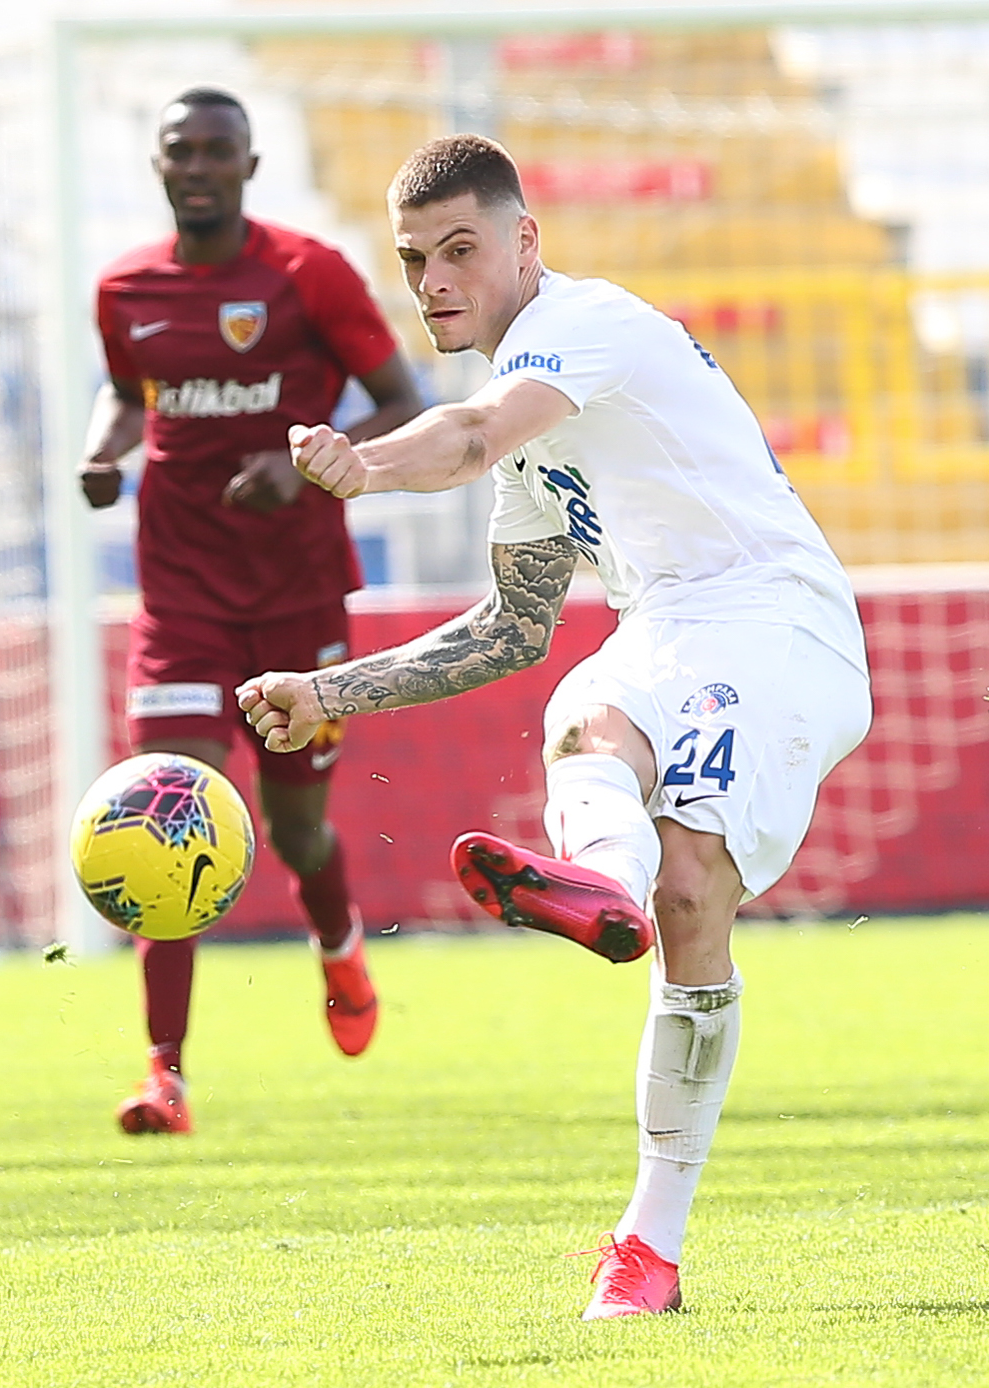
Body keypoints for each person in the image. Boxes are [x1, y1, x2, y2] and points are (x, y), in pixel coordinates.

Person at [236, 134, 873, 1318]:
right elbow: (513, 626)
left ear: (525, 240)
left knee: (654, 806)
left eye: (460, 249)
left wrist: (363, 464)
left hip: (780, 619)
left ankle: (604, 887)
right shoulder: (529, 430)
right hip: (671, 629)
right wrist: (329, 694)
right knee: (620, 780)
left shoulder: (583, 328)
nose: (434, 281)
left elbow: (470, 433)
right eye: (415, 259)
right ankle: (646, 1244)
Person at [84, 87, 424, 1134]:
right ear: (158, 165)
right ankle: (165, 1073)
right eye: (179, 151)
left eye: (215, 150)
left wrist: (308, 469)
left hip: (295, 594)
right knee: (166, 810)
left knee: (293, 826)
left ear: (249, 164)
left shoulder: (306, 273)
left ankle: (338, 946)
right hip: (180, 597)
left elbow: (402, 399)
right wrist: (103, 450)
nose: (197, 167)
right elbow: (128, 392)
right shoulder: (124, 288)